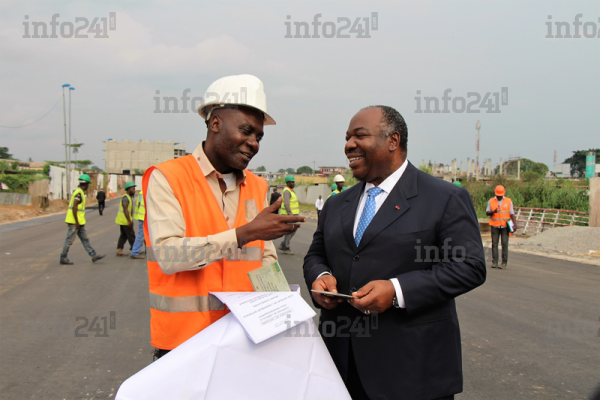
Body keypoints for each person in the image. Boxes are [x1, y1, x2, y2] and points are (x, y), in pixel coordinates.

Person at [303, 105, 486, 400]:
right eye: (347, 138)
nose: (349, 145)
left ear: (393, 140)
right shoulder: (337, 204)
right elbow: (316, 255)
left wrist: (396, 290)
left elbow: (469, 266)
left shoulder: (445, 198)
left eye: (359, 135)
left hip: (412, 371)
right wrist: (320, 276)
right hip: (340, 367)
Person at [142, 74, 305, 360]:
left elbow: (265, 259)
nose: (254, 143)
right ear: (215, 123)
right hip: (184, 344)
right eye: (246, 131)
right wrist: (244, 234)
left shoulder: (258, 186)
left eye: (259, 136)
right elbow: (168, 255)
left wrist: (281, 313)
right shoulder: (168, 177)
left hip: (243, 339)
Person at [60, 174, 105, 265]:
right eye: (88, 184)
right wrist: (76, 222)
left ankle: (93, 255)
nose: (88, 186)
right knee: (69, 240)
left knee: (85, 239)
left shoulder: (79, 192)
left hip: (79, 222)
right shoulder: (79, 193)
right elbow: (74, 207)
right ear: (86, 184)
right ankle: (63, 257)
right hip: (75, 222)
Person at [486, 185, 517, 269]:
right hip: (495, 225)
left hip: (505, 226)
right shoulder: (491, 201)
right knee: (494, 244)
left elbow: (512, 214)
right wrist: (493, 211)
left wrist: (515, 224)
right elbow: (487, 212)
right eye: (498, 195)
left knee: (504, 244)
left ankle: (504, 263)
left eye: (500, 195)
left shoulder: (508, 201)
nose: (499, 197)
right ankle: (495, 262)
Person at [279, 175, 300, 255]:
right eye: (292, 182)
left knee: (292, 231)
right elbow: (287, 204)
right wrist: (290, 215)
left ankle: (283, 244)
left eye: (294, 182)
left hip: (292, 215)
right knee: (290, 231)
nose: (294, 183)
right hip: (289, 215)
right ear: (288, 183)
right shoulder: (287, 191)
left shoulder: (290, 191)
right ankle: (286, 247)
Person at [115, 182, 137, 256]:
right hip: (125, 220)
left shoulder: (128, 197)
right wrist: (129, 221)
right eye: (132, 189)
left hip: (123, 220)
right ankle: (135, 250)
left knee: (123, 235)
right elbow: (125, 210)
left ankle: (119, 249)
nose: (134, 190)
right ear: (128, 189)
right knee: (131, 235)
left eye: (134, 189)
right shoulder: (125, 198)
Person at [130, 188, 146, 259]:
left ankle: (148, 251)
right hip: (143, 217)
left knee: (147, 235)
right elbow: (140, 204)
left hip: (145, 217)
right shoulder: (144, 192)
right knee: (141, 235)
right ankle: (135, 252)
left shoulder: (144, 191)